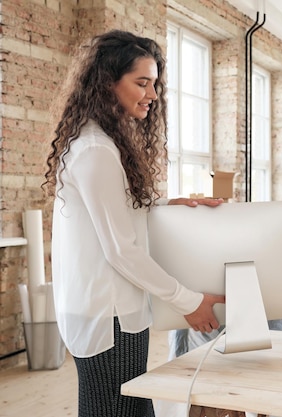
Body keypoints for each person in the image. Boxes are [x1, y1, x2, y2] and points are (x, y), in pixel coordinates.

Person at [42, 30, 225, 417]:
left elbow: (111, 210)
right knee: (117, 410)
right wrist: (187, 302)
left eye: (154, 84)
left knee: (126, 408)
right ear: (107, 82)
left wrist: (168, 203)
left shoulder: (98, 141)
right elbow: (120, 249)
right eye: (141, 83)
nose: (152, 95)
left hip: (107, 311)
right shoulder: (95, 149)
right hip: (108, 315)